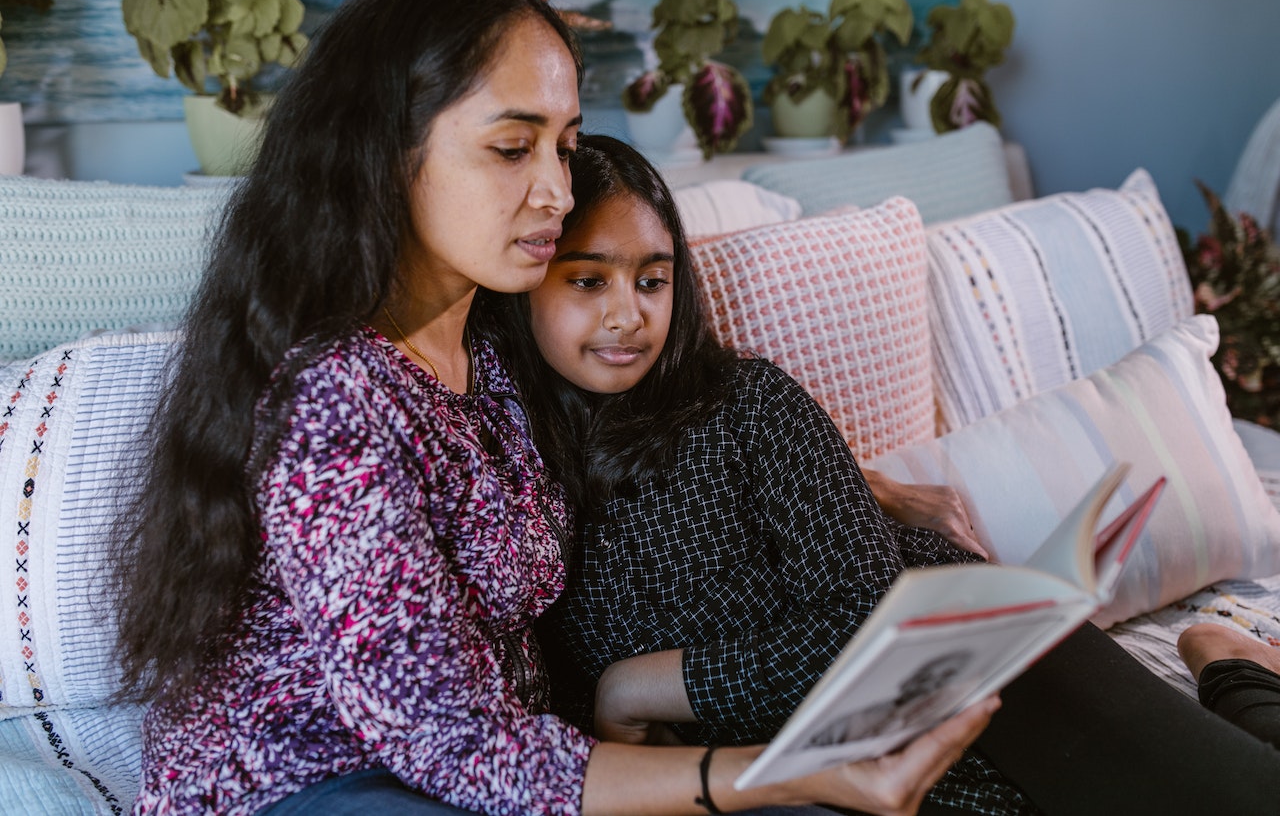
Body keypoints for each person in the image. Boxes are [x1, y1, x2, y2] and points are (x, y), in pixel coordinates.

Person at [108, 0, 998, 815]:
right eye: (511, 146)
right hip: (316, 786)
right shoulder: (334, 397)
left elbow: (647, 444)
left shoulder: (494, 360)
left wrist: (855, 486)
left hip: (487, 772)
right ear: (383, 150)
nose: (557, 190)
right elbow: (456, 741)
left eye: (565, 146)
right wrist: (779, 775)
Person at [479, 132, 1280, 815]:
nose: (629, 313)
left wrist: (637, 688)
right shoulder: (505, 474)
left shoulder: (749, 402)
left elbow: (868, 637)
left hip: (988, 685)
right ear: (525, 283)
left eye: (652, 279)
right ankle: (1237, 677)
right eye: (589, 279)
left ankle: (1233, 664)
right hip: (804, 784)